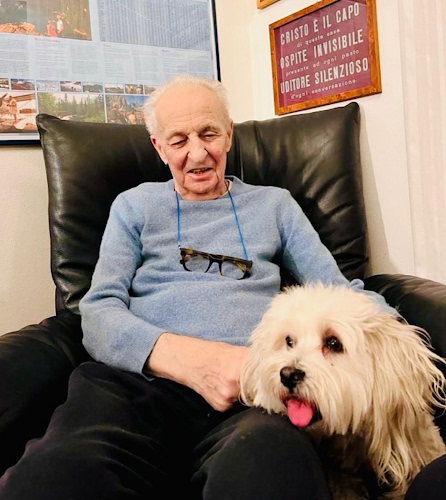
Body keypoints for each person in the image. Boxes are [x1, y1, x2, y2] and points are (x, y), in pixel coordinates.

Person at [0, 75, 400, 499]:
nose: (197, 153)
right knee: (52, 476)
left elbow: (339, 290)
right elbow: (97, 311)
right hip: (134, 388)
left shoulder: (275, 205)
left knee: (270, 468)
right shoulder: (134, 206)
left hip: (251, 393)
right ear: (158, 147)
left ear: (228, 134)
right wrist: (191, 360)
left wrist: (396, 336)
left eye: (209, 133)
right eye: (178, 140)